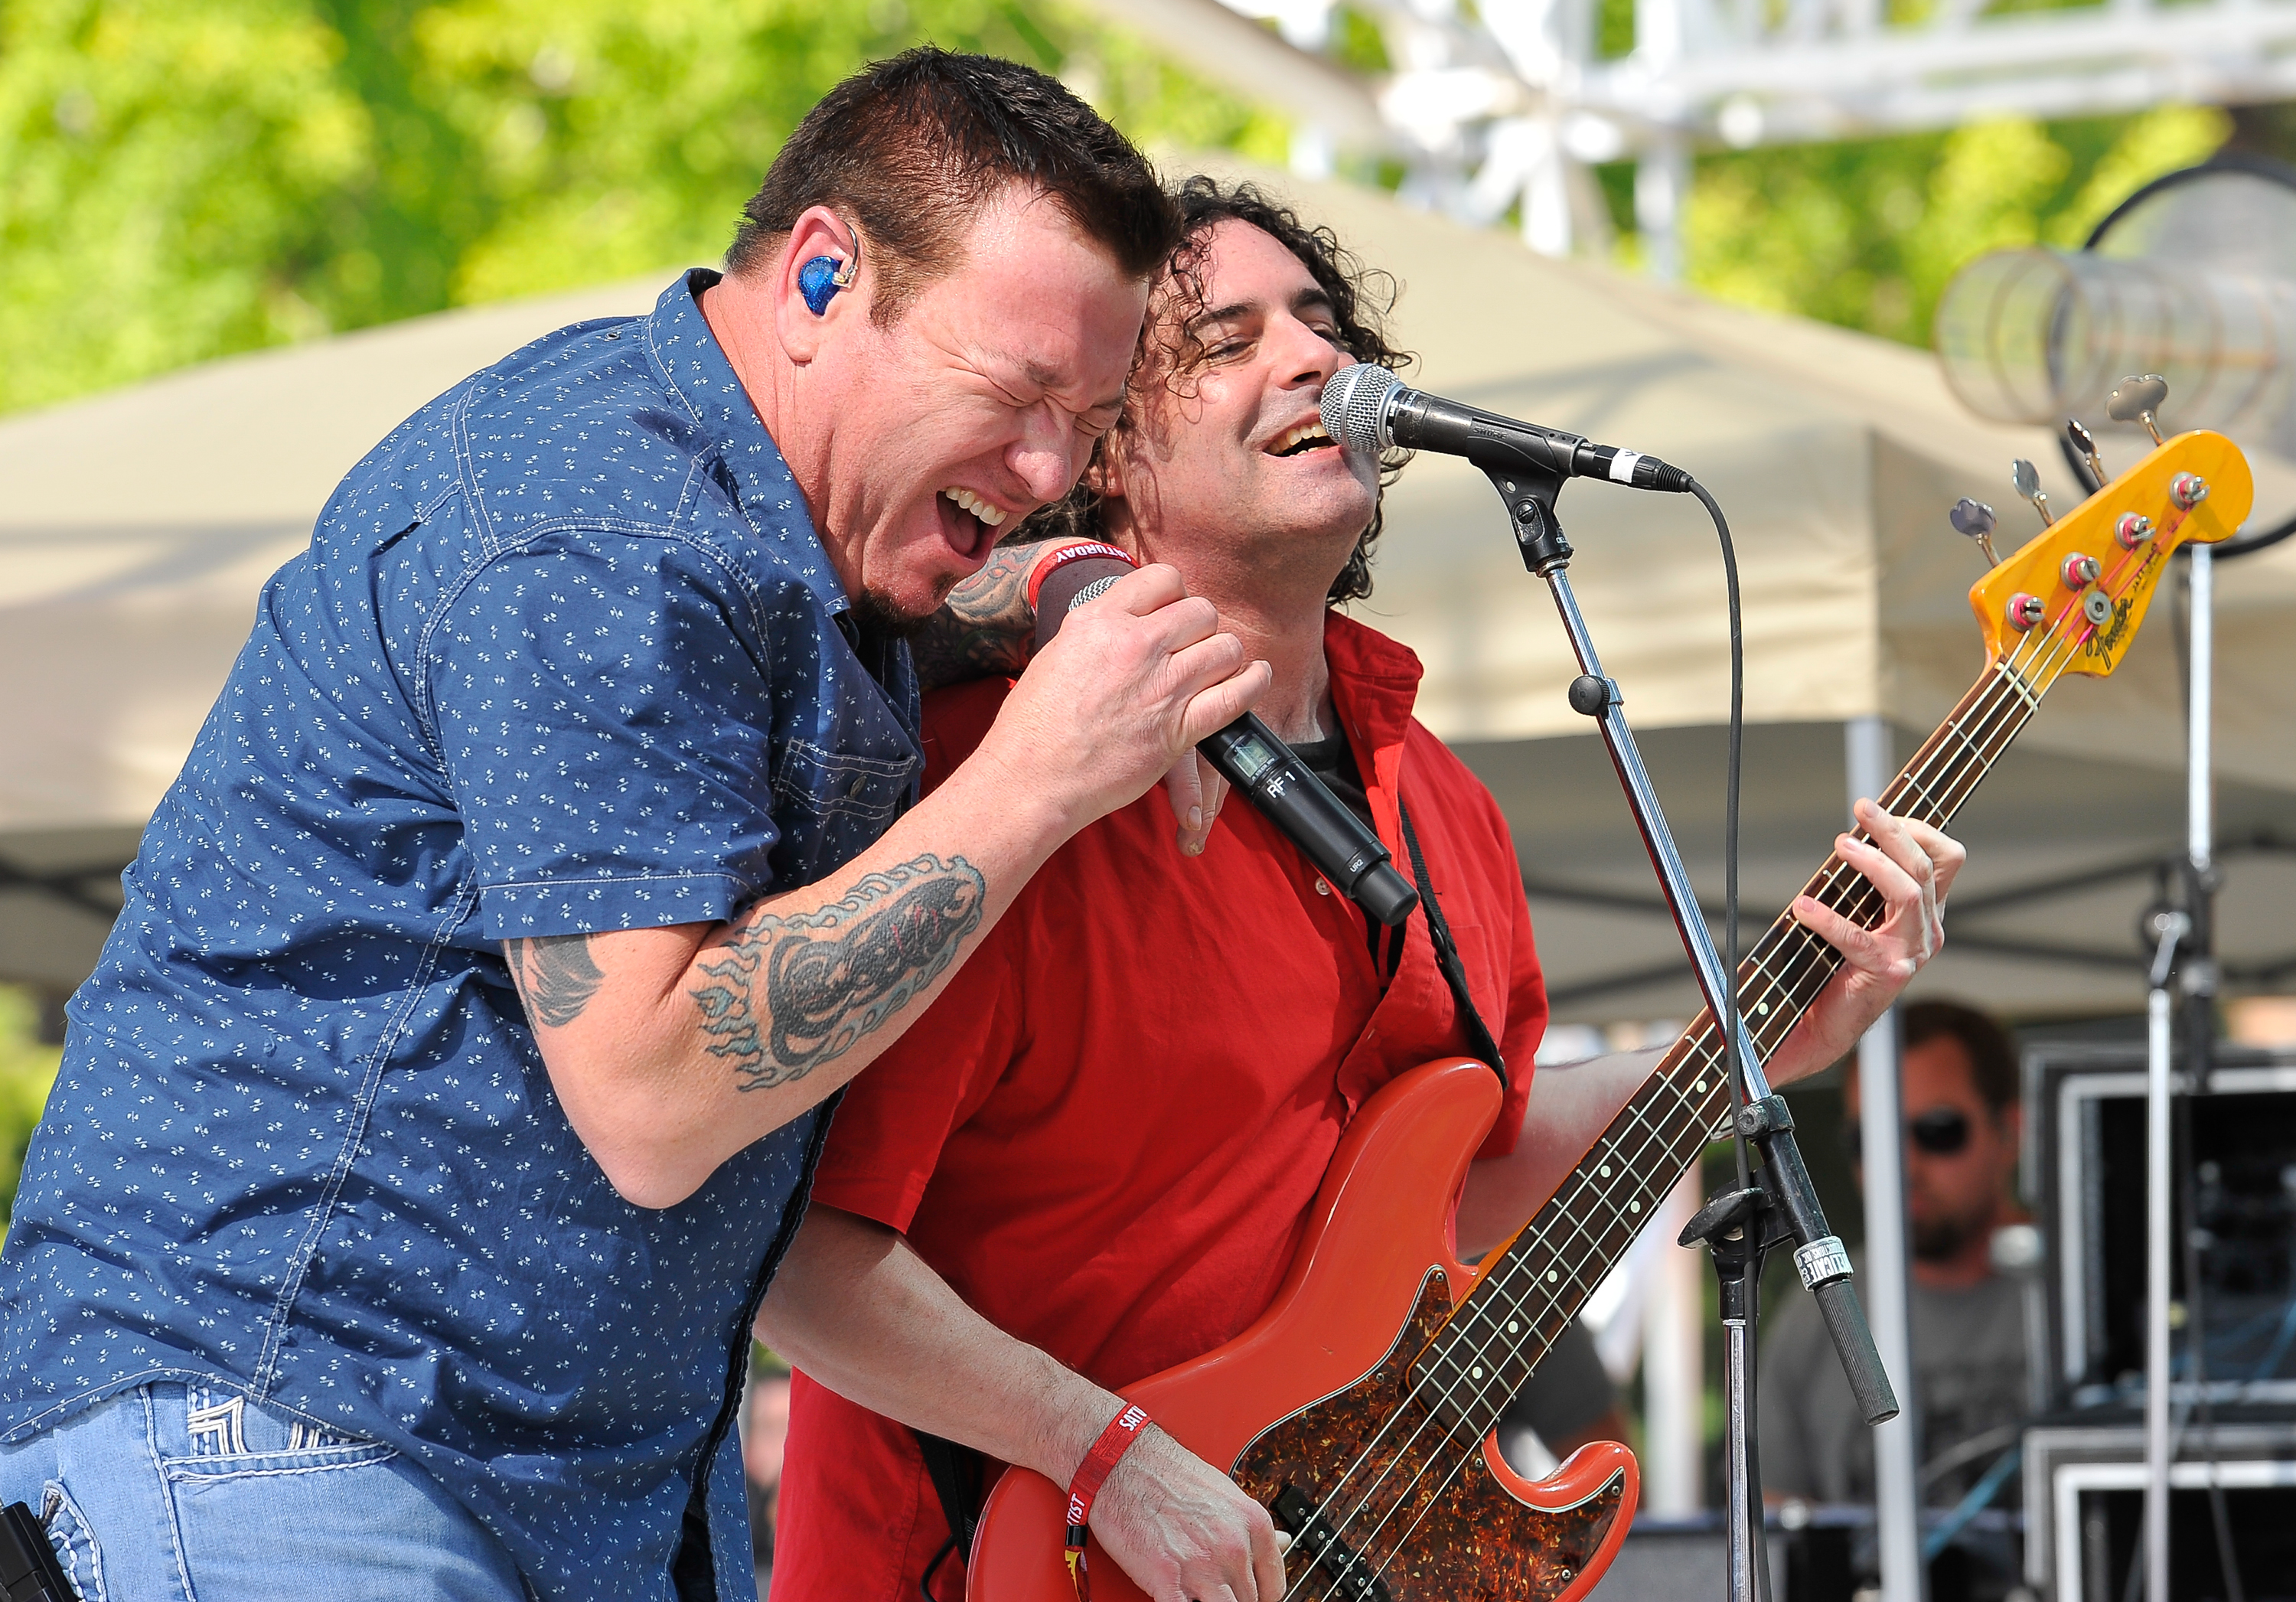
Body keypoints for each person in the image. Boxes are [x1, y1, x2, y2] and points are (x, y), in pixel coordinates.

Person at [0, 52, 1267, 1602]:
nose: (1051, 471)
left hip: (544, 1489)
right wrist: (1046, 768)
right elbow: (657, 1091)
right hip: (300, 1429)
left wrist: (1031, 605)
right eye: (1017, 396)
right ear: (821, 273)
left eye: (1085, 420)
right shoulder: (601, 531)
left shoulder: (768, 520)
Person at [756, 177, 1966, 1602]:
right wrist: (1109, 1454)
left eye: (1324, 323)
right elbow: (802, 1255)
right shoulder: (1000, 779)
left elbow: (1468, 1168)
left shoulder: (1442, 803)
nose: (1314, 358)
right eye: (1225, 339)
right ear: (1101, 452)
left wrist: (1757, 1050)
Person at [1758, 999, 2030, 1509]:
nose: (1903, 1164)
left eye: (1938, 1130)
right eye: (1872, 1139)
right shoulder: (1815, 1317)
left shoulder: (2088, 1294)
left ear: (2010, 1131)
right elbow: (1774, 1537)